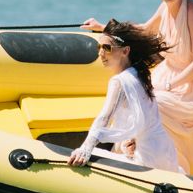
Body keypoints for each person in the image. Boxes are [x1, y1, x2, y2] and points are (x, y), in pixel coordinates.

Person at [82, 0, 193, 175]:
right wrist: (103, 27)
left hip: (192, 85)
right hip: (168, 74)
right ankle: (130, 150)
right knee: (131, 97)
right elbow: (144, 29)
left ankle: (166, 161)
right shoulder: (164, 8)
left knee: (152, 101)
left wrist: (170, 86)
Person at [67, 20, 181, 173]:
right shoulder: (139, 74)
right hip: (165, 153)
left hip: (147, 158)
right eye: (99, 47)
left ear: (125, 51)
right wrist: (133, 138)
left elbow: (104, 118)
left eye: (107, 48)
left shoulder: (119, 81)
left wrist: (85, 149)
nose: (101, 53)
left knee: (88, 154)